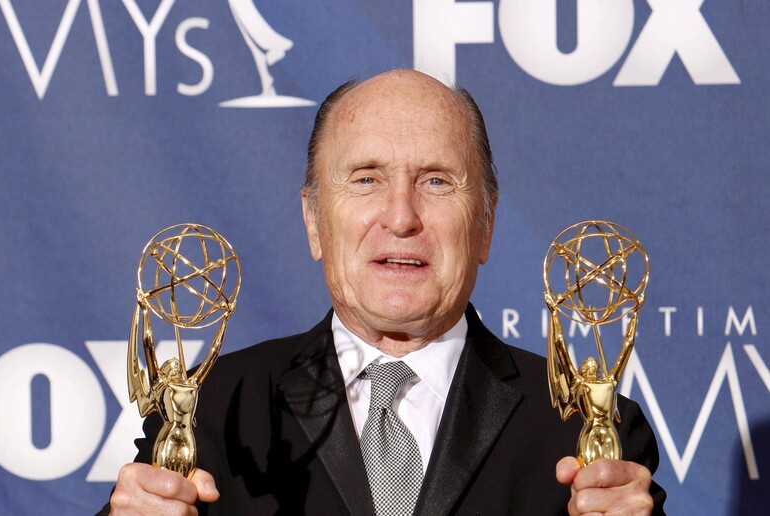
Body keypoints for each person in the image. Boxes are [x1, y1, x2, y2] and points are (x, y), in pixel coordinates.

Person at [103, 69, 666, 515]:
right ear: (315, 222)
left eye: (436, 181)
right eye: (366, 179)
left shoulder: (583, 428)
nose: (401, 217)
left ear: (486, 224)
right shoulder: (216, 408)